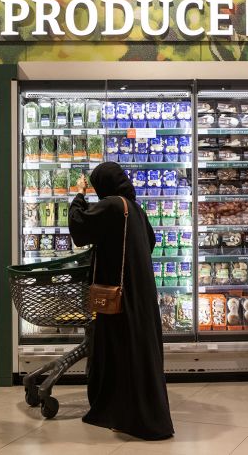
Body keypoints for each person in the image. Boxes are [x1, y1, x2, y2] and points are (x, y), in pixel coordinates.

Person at [68, 162, 174, 441]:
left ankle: (121, 413)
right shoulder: (134, 208)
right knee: (134, 351)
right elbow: (149, 243)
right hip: (139, 294)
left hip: (119, 297)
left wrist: (78, 195)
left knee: (119, 351)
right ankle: (131, 411)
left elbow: (79, 228)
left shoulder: (112, 205)